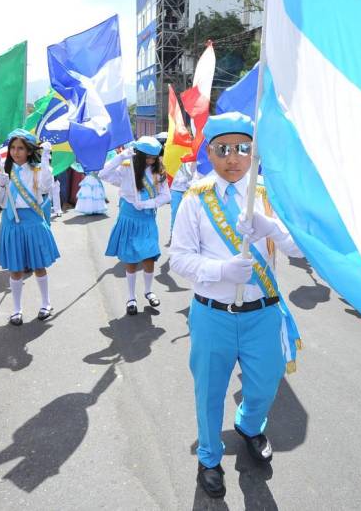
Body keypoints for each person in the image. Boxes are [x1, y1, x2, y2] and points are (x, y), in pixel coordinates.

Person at [170, 112, 304, 499]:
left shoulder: (265, 194)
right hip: (213, 314)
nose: (233, 158)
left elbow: (298, 250)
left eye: (243, 148)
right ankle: (209, 458)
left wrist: (273, 227)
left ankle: (248, 425)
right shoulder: (196, 198)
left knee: (264, 384)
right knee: (209, 391)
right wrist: (221, 269)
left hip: (263, 314)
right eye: (223, 149)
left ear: (253, 152)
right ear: (209, 152)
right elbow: (179, 258)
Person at [0, 129, 59, 326]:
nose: (15, 152)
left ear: (29, 151)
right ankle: (16, 309)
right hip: (11, 222)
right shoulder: (3, 170)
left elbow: (46, 188)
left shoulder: (37, 170)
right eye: (12, 147)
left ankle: (46, 303)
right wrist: (1, 185)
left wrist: (45, 159)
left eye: (20, 148)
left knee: (39, 265)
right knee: (16, 267)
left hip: (32, 221)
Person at [99, 136, 171, 315]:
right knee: (130, 259)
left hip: (147, 218)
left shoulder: (158, 171)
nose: (151, 161)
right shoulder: (127, 168)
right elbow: (103, 174)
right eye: (147, 157)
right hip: (128, 217)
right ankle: (131, 297)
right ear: (138, 155)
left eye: (154, 157)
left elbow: (166, 196)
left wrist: (148, 204)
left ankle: (148, 291)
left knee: (149, 256)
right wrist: (120, 158)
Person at [169, 161, 195, 239]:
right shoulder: (174, 157)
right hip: (176, 190)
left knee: (190, 215)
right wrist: (178, 180)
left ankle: (188, 237)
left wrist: (191, 181)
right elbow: (169, 173)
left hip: (190, 190)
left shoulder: (193, 157)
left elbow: (197, 173)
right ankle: (173, 236)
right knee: (175, 213)